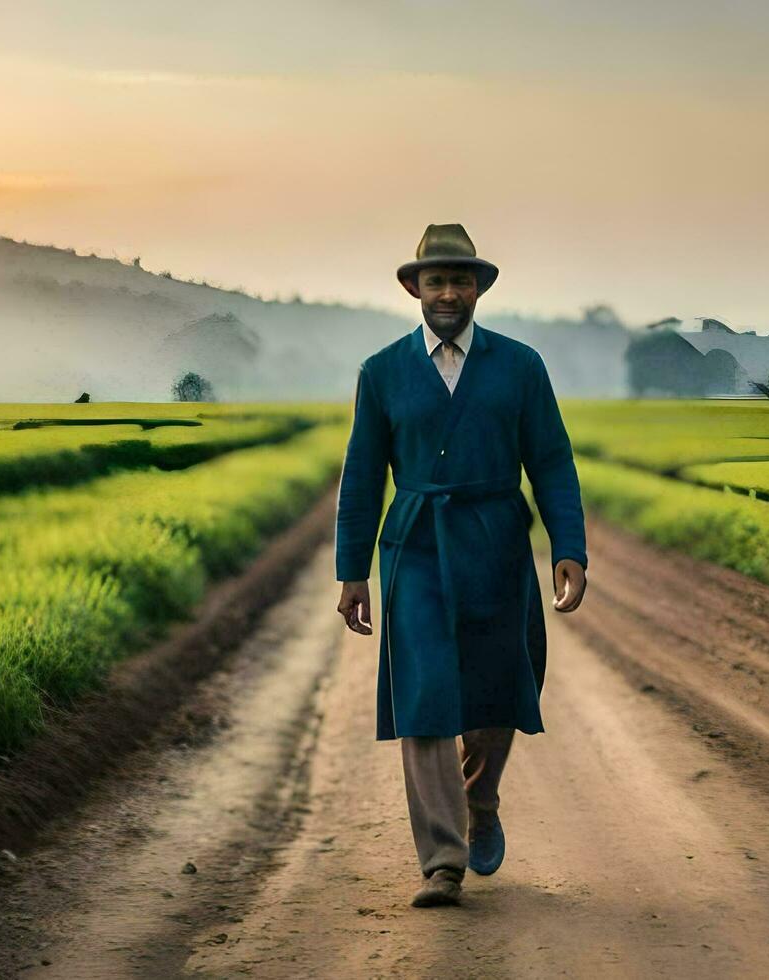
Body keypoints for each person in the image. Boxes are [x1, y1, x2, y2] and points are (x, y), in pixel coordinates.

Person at [334, 222, 588, 908]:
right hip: (414, 546)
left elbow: (553, 462)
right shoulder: (382, 372)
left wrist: (569, 548)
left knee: (496, 691)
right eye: (437, 280)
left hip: (496, 542)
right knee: (424, 701)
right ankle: (442, 861)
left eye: (461, 280)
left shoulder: (520, 366)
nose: (449, 292)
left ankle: (480, 801)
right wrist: (351, 571)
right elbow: (362, 478)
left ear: (478, 288)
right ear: (414, 288)